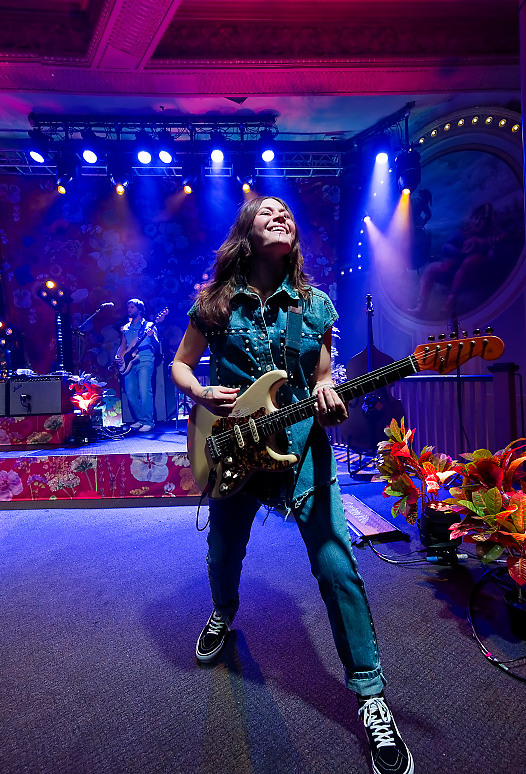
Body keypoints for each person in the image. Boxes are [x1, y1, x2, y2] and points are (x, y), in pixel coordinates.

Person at [170, 196, 413, 774]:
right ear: (246, 235)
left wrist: (329, 400)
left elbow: (324, 380)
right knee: (223, 552)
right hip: (231, 443)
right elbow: (180, 364)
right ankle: (223, 612)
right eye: (267, 213)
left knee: (336, 565)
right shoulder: (215, 305)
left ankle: (371, 696)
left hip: (301, 445)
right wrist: (201, 394)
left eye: (286, 214)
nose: (280, 217)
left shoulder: (316, 306)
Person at [115, 298, 159, 433]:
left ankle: (148, 421)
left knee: (144, 391)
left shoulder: (149, 325)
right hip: (129, 362)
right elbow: (124, 345)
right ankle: (140, 419)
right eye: (128, 307)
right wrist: (119, 357)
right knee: (130, 393)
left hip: (145, 359)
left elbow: (157, 345)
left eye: (132, 307)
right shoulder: (126, 327)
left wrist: (151, 337)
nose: (129, 310)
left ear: (139, 309)